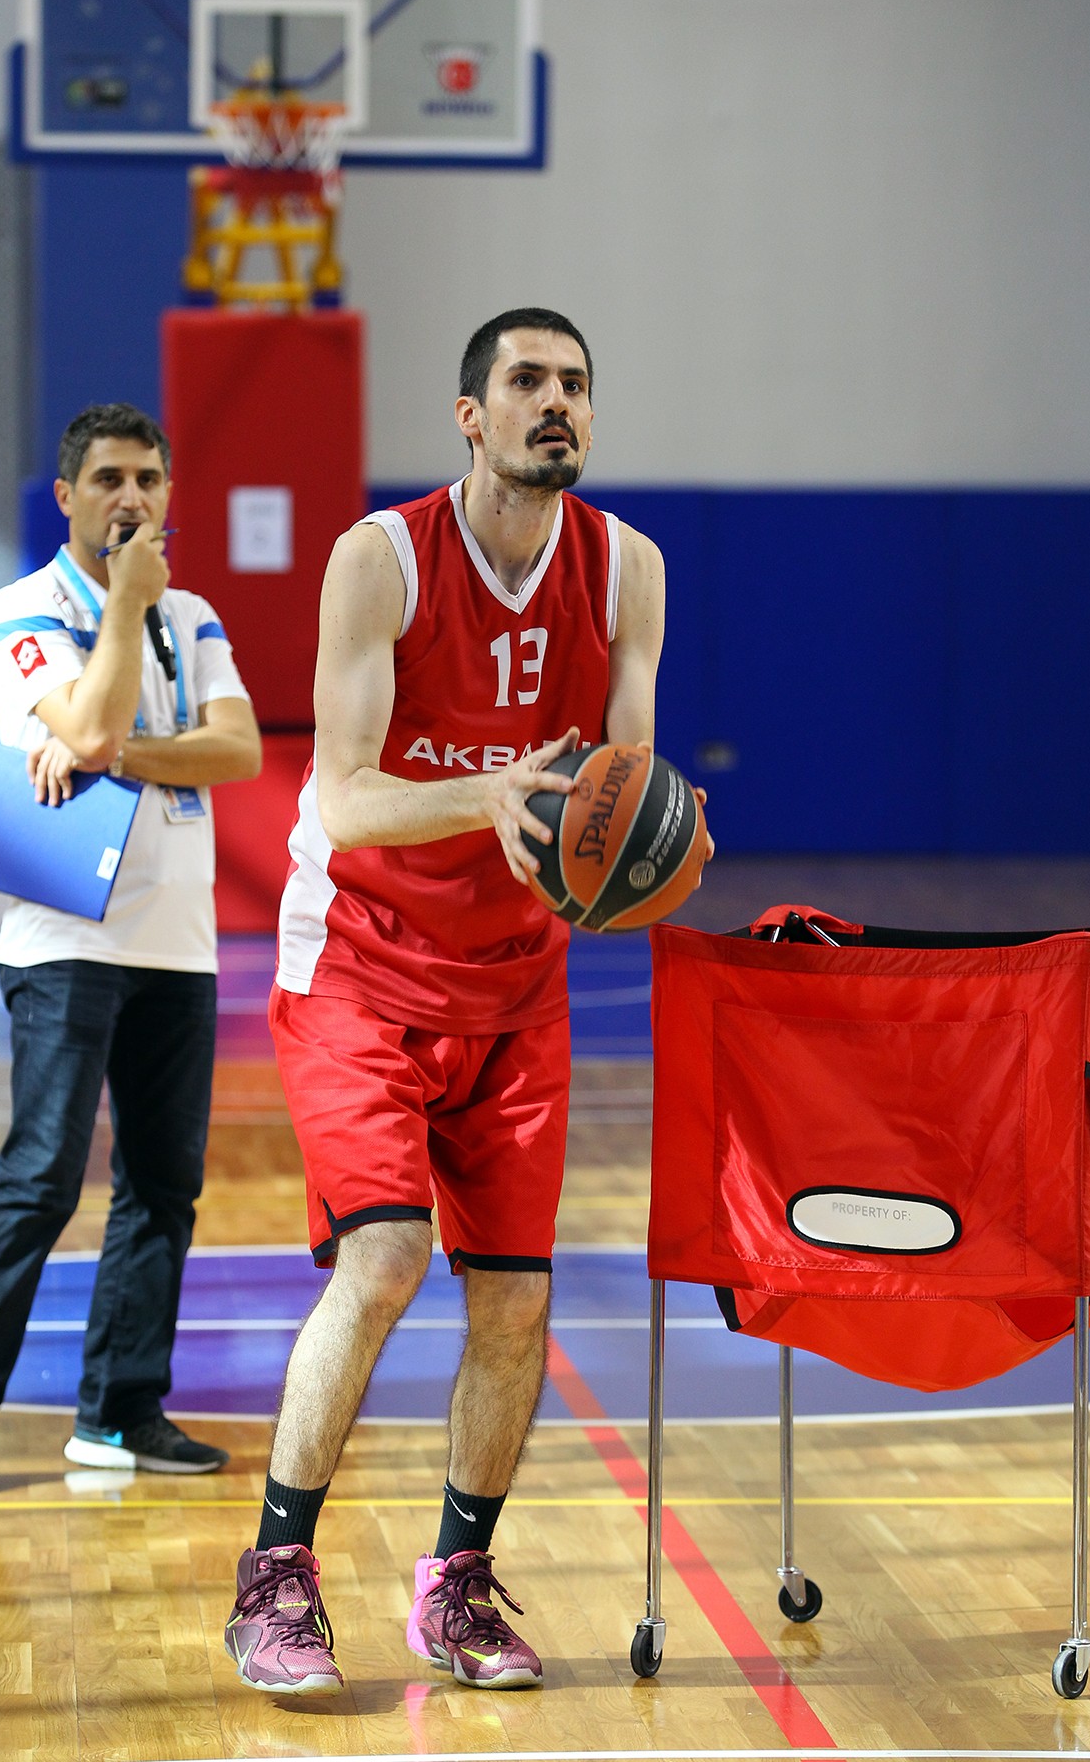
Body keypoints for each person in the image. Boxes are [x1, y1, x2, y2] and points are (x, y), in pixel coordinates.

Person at [223, 309, 711, 1695]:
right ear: (470, 414)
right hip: (362, 960)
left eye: (576, 385)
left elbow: (617, 790)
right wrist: (487, 794)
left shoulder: (628, 569)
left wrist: (655, 842)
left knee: (513, 1302)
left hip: (515, 982)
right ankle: (276, 1575)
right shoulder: (380, 559)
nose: (556, 402)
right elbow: (342, 798)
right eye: (527, 381)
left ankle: (457, 1585)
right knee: (385, 1261)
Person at [0, 403, 261, 1493]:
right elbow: (92, 727)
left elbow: (238, 750)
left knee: (163, 1186)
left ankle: (119, 1412)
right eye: (110, 479)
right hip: (64, 936)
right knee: (41, 1176)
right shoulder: (25, 608)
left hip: (179, 943)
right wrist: (128, 613)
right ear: (67, 496)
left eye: (149, 479)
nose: (133, 499)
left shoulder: (194, 614)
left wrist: (122, 750)